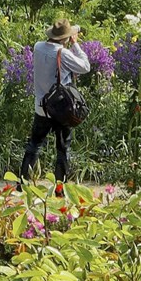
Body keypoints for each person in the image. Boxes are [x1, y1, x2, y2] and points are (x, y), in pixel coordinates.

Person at [18, 20, 91, 184]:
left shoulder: (38, 47)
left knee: (34, 145)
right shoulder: (63, 53)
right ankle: (59, 189)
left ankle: (22, 184)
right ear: (66, 38)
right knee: (62, 149)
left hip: (41, 107)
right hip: (61, 110)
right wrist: (75, 44)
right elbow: (85, 67)